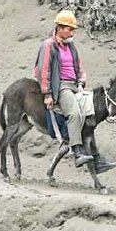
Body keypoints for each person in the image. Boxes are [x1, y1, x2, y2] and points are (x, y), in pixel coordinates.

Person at [34, 10, 93, 167]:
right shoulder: (48, 46)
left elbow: (79, 66)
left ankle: (94, 156)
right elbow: (43, 70)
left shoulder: (71, 46)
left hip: (75, 85)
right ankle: (77, 152)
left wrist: (81, 83)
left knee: (90, 112)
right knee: (74, 114)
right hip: (61, 86)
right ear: (60, 27)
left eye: (73, 29)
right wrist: (47, 93)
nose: (72, 32)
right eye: (70, 28)